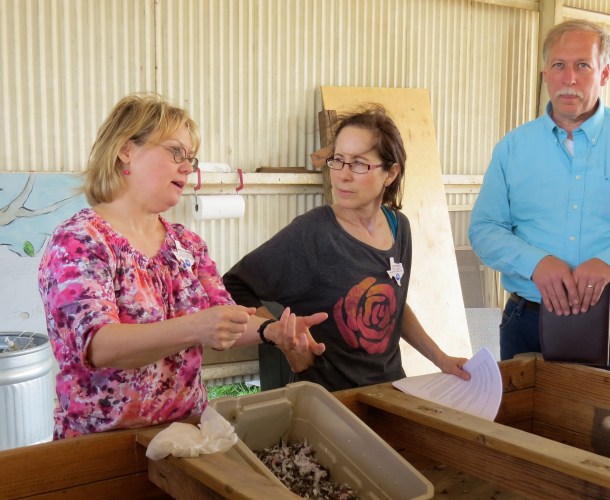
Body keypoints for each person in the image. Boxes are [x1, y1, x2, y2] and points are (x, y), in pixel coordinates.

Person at [38, 92, 327, 439]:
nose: (188, 167)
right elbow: (99, 346)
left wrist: (272, 332)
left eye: (191, 158)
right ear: (126, 150)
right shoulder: (80, 240)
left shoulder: (186, 243)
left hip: (187, 435)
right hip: (102, 446)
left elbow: (224, 319)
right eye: (176, 152)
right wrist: (194, 327)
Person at [223, 103, 470, 392]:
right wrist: (279, 335)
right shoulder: (313, 232)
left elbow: (396, 307)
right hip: (330, 399)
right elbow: (233, 285)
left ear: (390, 173)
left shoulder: (398, 227)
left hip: (390, 391)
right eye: (337, 160)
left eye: (359, 164)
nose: (343, 174)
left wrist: (441, 359)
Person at [469, 19, 610, 360]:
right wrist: (536, 263)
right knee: (523, 416)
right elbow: (484, 230)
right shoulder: (513, 148)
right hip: (527, 323)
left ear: (604, 74)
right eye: (559, 65)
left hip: (608, 323)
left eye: (583, 66)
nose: (569, 78)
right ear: (545, 74)